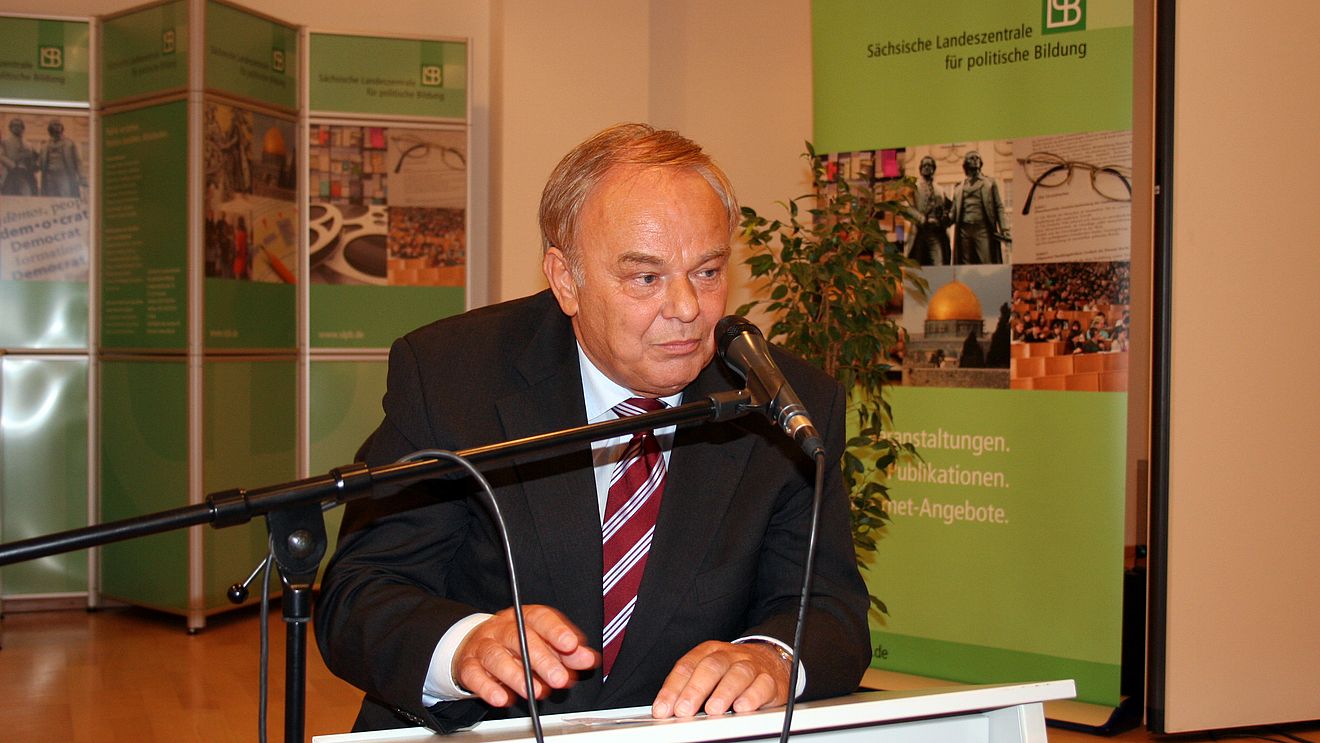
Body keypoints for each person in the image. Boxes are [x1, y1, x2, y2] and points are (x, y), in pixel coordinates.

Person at [314, 123, 871, 733]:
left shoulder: (782, 401)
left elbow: (827, 608)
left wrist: (771, 657)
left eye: (708, 272)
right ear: (566, 280)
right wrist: (463, 646)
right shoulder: (454, 374)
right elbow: (362, 592)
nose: (687, 308)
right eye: (646, 278)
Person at [950, 151, 1008, 264]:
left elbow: (999, 207)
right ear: (965, 163)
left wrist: (1004, 229)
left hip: (982, 229)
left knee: (986, 261)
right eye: (972, 158)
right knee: (965, 265)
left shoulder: (989, 183)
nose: (975, 160)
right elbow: (953, 212)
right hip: (964, 230)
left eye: (977, 158)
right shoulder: (959, 187)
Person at [904, 155, 951, 265]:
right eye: (924, 165)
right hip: (919, 232)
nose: (927, 167)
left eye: (929, 165)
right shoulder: (913, 187)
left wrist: (943, 219)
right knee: (917, 265)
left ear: (934, 169)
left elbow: (947, 208)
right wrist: (923, 219)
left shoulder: (940, 190)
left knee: (939, 263)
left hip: (936, 234)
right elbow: (907, 208)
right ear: (920, 169)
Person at [39, 120, 82, 198]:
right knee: (50, 198)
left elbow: (77, 161)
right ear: (50, 129)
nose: (57, 127)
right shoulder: (45, 145)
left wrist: (81, 176)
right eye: (54, 125)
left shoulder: (69, 143)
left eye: (58, 125)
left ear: (62, 128)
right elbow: (40, 162)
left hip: (64, 175)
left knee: (65, 196)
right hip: (49, 176)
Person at [1, 118, 38, 196]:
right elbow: (1, 155)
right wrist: (13, 165)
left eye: (19, 126)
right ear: (10, 128)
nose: (17, 128)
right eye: (14, 126)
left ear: (23, 128)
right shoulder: (4, 142)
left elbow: (35, 157)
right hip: (10, 173)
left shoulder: (28, 144)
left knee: (26, 193)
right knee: (9, 195)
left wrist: (34, 165)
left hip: (25, 173)